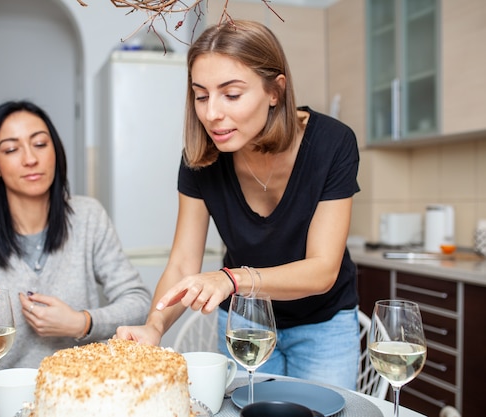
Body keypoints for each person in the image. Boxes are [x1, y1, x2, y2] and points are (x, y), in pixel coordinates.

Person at [116, 20, 361, 390]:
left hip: (323, 324)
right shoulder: (201, 159)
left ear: (275, 91)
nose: (212, 113)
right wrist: (155, 325)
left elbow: (323, 269)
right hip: (245, 324)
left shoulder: (333, 144)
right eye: (201, 95)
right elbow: (183, 262)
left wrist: (231, 279)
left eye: (231, 95)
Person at [0, 100, 151, 369]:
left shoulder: (88, 217)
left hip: (78, 394)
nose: (30, 159)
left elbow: (138, 301)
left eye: (40, 144)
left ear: (56, 152)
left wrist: (81, 322)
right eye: (10, 149)